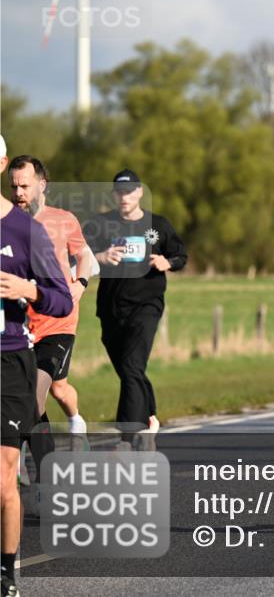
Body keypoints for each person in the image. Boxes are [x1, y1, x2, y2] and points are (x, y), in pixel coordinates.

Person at [1, 137, 73, 597]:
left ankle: (6, 572)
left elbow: (61, 296)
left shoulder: (25, 231)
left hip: (8, 361)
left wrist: (28, 291)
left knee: (4, 472)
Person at [83, 169, 187, 444]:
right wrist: (100, 256)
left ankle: (127, 438)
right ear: (114, 195)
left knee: (131, 366)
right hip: (110, 308)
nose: (125, 196)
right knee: (131, 369)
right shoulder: (101, 225)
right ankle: (150, 415)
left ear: (140, 192)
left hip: (146, 305)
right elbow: (77, 254)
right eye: (119, 192)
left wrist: (168, 263)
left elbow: (180, 255)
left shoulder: (158, 225)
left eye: (130, 191)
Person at [7, 156, 95, 471]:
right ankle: (76, 420)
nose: (19, 193)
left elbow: (84, 254)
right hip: (19, 327)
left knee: (33, 397)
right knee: (58, 389)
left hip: (58, 322)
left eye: (25, 186)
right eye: (13, 186)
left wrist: (80, 283)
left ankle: (41, 474)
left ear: (42, 185)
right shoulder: (7, 224)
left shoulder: (62, 220)